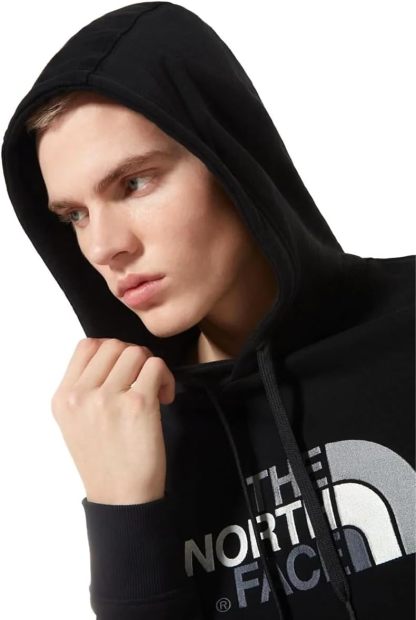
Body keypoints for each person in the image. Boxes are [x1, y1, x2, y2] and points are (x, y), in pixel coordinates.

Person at [2, 2, 414, 619]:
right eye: (75, 215)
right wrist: (122, 513)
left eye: (134, 183)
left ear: (231, 160)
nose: (104, 246)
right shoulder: (129, 427)